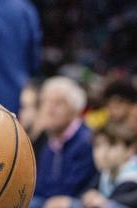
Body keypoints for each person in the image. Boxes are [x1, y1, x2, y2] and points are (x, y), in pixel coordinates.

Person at [33, 77, 98, 208]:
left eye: (58, 103)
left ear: (75, 109)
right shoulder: (49, 141)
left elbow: (69, 191)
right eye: (45, 102)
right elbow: (39, 187)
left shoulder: (86, 140)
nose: (49, 110)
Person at [78, 123, 137, 208]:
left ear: (130, 149)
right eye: (97, 145)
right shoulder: (107, 172)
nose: (102, 153)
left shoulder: (133, 179)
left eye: (111, 145)